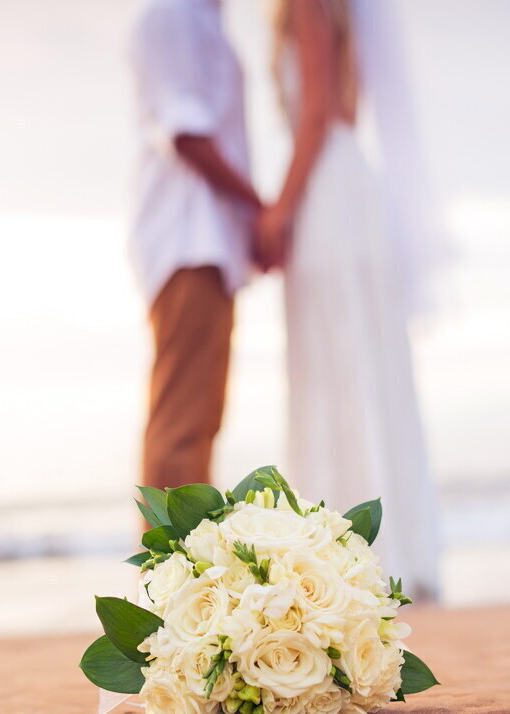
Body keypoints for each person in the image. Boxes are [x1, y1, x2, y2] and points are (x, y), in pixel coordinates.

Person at [256, 0, 444, 599]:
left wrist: (278, 211)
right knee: (362, 368)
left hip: (327, 198)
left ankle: (346, 564)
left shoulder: (308, 5)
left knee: (332, 370)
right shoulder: (344, 13)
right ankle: (391, 553)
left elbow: (316, 115)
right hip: (349, 189)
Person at [128, 0, 262, 493]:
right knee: (182, 426)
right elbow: (185, 131)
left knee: (199, 422)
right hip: (189, 238)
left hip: (208, 240)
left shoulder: (201, 16)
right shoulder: (174, 13)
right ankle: (166, 569)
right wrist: (260, 211)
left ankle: (183, 567)